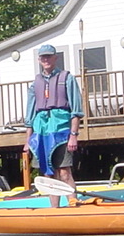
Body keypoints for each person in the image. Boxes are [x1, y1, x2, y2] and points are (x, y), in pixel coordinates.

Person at [24, 44, 84, 199]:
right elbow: (30, 115)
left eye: (49, 56)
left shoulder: (67, 78)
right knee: (48, 175)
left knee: (64, 172)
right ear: (39, 60)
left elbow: (76, 110)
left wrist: (73, 135)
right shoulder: (35, 84)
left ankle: (73, 206)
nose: (46, 59)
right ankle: (55, 210)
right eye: (43, 57)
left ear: (55, 58)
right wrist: (27, 141)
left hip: (62, 131)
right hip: (42, 132)